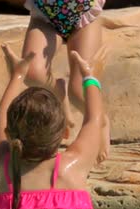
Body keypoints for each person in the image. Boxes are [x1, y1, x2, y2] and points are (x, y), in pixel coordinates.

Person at [0, 43, 109, 209]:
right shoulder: (71, 167)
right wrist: (90, 77)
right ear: (65, 133)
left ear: (10, 134)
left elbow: (2, 116)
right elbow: (94, 120)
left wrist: (17, 75)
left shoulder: (6, 165)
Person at [20, 0, 110, 162]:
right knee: (32, 73)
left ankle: (101, 122)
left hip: (84, 13)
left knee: (78, 91)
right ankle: (57, 90)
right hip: (45, 15)